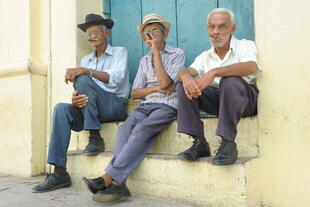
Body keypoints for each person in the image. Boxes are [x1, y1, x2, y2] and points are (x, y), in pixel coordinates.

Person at [82, 14, 185, 203]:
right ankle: (119, 184)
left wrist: (155, 53)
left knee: (141, 130)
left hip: (167, 105)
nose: (150, 37)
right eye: (146, 34)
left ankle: (107, 178)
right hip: (145, 105)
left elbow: (165, 81)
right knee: (124, 129)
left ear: (165, 34)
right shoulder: (144, 61)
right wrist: (155, 88)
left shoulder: (177, 53)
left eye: (155, 32)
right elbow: (135, 92)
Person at [32, 13, 130, 193]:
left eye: (94, 32)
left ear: (106, 33)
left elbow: (115, 79)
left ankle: (94, 136)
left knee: (82, 76)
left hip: (114, 106)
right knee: (61, 109)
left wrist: (86, 72)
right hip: (92, 109)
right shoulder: (86, 59)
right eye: (88, 33)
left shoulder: (119, 52)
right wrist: (76, 99)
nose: (90, 36)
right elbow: (85, 90)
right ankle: (59, 173)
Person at [176, 8, 262, 166]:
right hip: (221, 103)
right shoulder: (205, 56)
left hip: (246, 101)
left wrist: (214, 72)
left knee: (228, 81)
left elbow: (251, 67)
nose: (216, 31)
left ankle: (228, 143)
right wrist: (186, 76)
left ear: (232, 28)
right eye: (212, 26)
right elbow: (185, 71)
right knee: (183, 85)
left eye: (222, 26)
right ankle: (199, 142)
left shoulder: (245, 45)